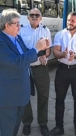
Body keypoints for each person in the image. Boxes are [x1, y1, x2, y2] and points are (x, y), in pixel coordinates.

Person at [0, 8, 50, 136]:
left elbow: (26, 51)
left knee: (14, 128)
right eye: (17, 23)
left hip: (20, 93)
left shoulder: (15, 37)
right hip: (9, 96)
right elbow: (17, 61)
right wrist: (36, 48)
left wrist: (41, 50)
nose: (19, 26)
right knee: (8, 130)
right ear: (7, 25)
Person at [49, 12, 76, 136]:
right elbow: (56, 52)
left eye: (73, 21)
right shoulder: (60, 34)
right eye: (68, 20)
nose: (70, 22)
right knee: (59, 99)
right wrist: (63, 55)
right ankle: (59, 127)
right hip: (62, 70)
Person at [20, 8, 51, 136]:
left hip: (40, 68)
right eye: (31, 15)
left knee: (43, 95)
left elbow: (48, 49)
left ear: (41, 17)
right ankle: (26, 123)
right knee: (25, 96)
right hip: (25, 68)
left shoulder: (45, 30)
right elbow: (21, 49)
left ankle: (42, 123)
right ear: (27, 17)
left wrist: (45, 55)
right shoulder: (21, 30)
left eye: (37, 15)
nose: (34, 17)